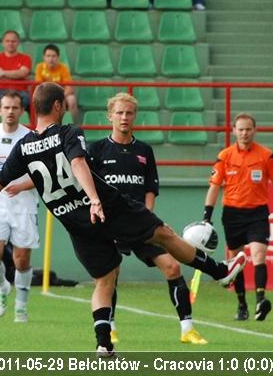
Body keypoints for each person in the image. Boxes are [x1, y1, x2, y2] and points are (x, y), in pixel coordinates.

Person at [0, 82, 246, 356]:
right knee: (162, 233)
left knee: (104, 280)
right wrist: (95, 198)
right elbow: (78, 163)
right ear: (58, 106)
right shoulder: (69, 132)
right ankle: (219, 271)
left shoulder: (24, 147)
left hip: (74, 222)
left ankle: (103, 344)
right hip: (106, 206)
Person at [88, 92, 207, 345]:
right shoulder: (96, 149)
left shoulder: (144, 150)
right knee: (110, 274)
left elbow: (150, 189)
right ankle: (110, 327)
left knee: (173, 266)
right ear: (110, 115)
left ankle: (187, 328)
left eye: (129, 113)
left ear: (135, 116)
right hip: (110, 224)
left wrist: (148, 218)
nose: (124, 117)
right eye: (119, 112)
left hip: (139, 223)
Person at [203, 113, 273, 322]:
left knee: (259, 255)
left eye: (248, 129)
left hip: (258, 213)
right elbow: (214, 188)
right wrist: (206, 217)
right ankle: (242, 304)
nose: (244, 133)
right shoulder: (225, 156)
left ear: (255, 130)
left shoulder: (266, 155)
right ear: (233, 131)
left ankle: (261, 300)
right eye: (241, 129)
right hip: (233, 214)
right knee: (238, 261)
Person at [0, 91, 40, 323]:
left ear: (22, 111)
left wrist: (23, 186)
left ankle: (21, 306)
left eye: (15, 107)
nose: (10, 111)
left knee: (21, 260)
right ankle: (2, 288)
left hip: (24, 205)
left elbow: (43, 172)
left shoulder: (33, 137)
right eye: (6, 107)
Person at [0, 30, 31, 124]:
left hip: (21, 91)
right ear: (3, 43)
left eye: (13, 41)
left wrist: (3, 72)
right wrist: (16, 74)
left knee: (30, 104)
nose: (10, 43)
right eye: (7, 41)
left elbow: (23, 73)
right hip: (0, 91)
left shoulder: (25, 58)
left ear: (18, 43)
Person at [34, 44, 79, 123]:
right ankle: (38, 127)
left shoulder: (64, 68)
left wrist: (59, 97)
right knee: (35, 98)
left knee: (72, 99)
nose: (51, 59)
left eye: (53, 56)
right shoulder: (39, 67)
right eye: (48, 56)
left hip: (61, 95)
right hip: (45, 95)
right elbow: (39, 87)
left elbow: (69, 87)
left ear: (58, 57)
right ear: (44, 57)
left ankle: (72, 127)